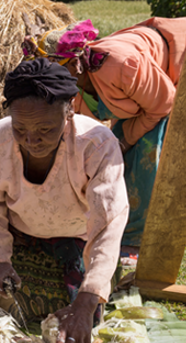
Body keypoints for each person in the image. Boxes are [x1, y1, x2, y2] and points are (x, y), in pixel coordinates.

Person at [0, 59, 128, 343]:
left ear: (70, 109)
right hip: (23, 237)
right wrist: (0, 261)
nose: (32, 140)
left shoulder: (96, 146)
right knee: (9, 301)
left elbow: (108, 225)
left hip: (78, 240)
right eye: (20, 128)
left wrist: (88, 298)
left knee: (81, 313)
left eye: (45, 129)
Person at [22, 17, 186, 252]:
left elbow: (164, 104)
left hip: (171, 77)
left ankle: (136, 240)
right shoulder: (68, 85)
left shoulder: (122, 66)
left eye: (51, 73)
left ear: (74, 64)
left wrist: (124, 143)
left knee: (144, 158)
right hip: (146, 96)